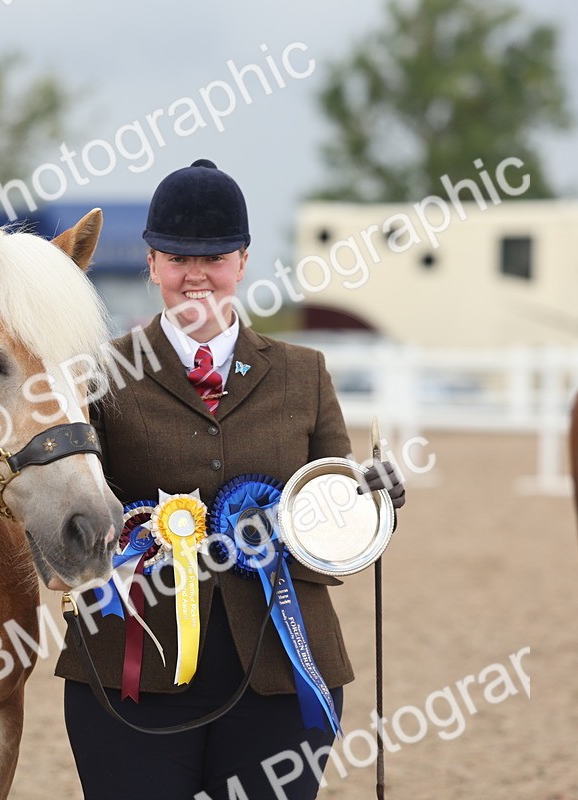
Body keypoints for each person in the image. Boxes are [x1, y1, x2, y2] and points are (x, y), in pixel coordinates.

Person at [53, 159, 407, 800]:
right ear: (152, 263)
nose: (196, 276)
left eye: (214, 258)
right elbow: (69, 512)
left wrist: (369, 501)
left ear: (242, 261)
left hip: (280, 675)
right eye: (178, 258)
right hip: (134, 674)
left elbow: (333, 527)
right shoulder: (96, 375)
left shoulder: (305, 374)